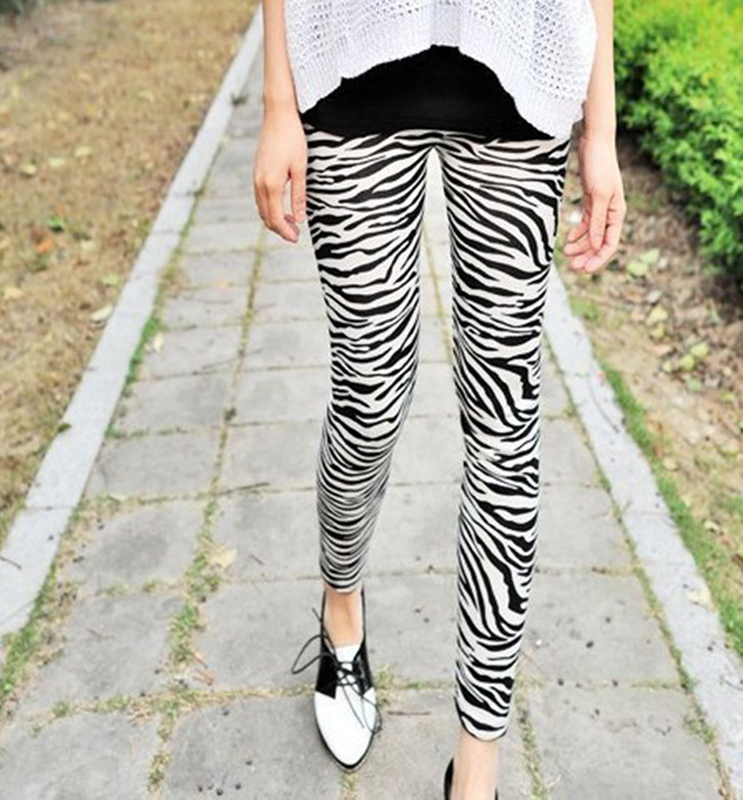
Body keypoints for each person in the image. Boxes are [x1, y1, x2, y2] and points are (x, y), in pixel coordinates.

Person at [252, 2, 625, 799]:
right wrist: (278, 103)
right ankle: (341, 611)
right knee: (369, 400)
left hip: (522, 81)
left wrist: (601, 128)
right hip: (350, 71)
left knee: (505, 428)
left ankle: (477, 765)